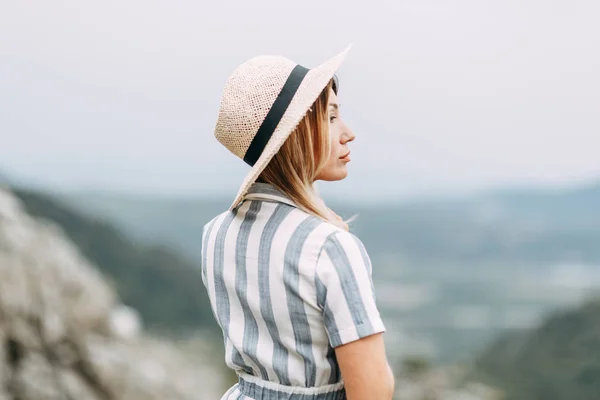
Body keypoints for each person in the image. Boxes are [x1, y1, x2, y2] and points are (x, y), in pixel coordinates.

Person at [202, 46, 395, 399]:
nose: (348, 133)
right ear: (297, 131)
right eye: (332, 117)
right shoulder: (330, 247)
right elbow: (372, 389)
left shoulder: (215, 234)